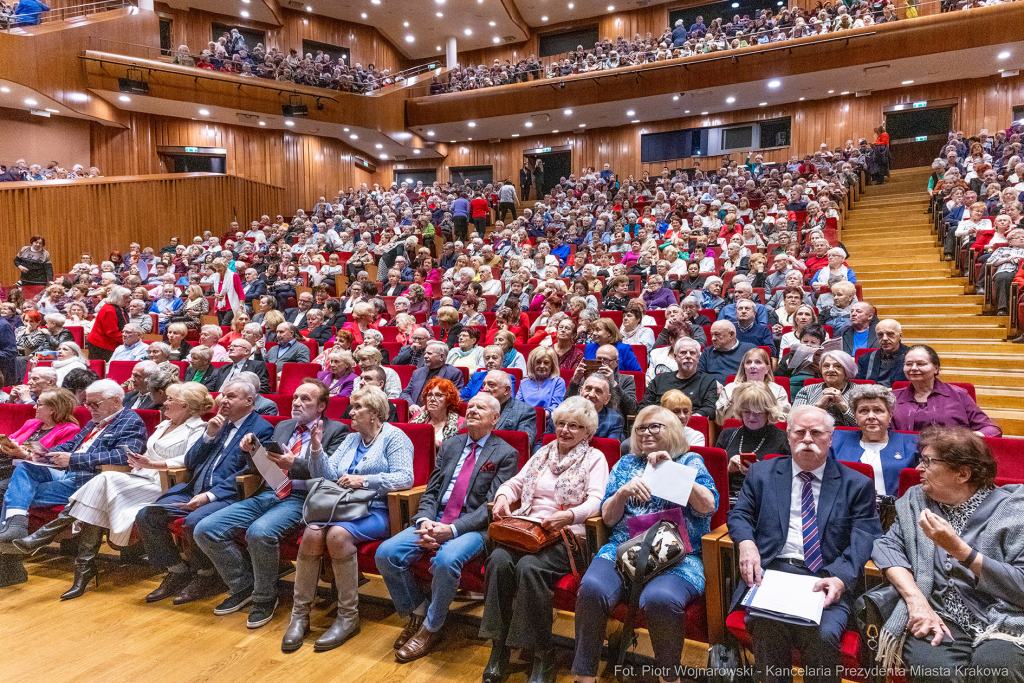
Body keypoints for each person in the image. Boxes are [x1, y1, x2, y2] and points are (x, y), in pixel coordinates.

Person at [727, 405, 882, 683]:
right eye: (800, 431)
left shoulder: (856, 484)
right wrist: (747, 543)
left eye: (816, 432)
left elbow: (866, 535)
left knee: (822, 636)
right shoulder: (761, 474)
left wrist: (841, 578)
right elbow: (739, 514)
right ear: (788, 436)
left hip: (825, 577)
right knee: (764, 626)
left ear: (830, 438)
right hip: (773, 574)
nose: (807, 438)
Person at [13, 384, 209, 599]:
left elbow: (190, 460)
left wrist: (153, 464)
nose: (164, 402)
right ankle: (82, 568)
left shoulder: (199, 429)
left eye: (170, 399)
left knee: (104, 480)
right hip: (140, 477)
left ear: (185, 405)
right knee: (99, 496)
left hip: (167, 484)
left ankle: (49, 540)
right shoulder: (164, 425)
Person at [572, 406, 718, 683]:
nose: (646, 433)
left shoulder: (689, 461)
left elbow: (708, 506)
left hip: (678, 558)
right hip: (624, 550)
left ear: (672, 431)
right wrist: (623, 493)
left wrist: (670, 470)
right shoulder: (626, 464)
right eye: (640, 427)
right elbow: (608, 517)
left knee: (660, 599)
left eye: (655, 427)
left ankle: (669, 677)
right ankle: (584, 675)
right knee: (592, 589)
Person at [871, 427, 1024, 683]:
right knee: (934, 670)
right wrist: (916, 600)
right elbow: (886, 547)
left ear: (962, 473)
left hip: (1004, 616)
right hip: (941, 614)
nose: (919, 468)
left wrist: (959, 550)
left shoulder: (1014, 511)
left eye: (928, 462)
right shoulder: (917, 502)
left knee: (997, 667)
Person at [375, 394, 519, 662]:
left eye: (482, 408)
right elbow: (431, 491)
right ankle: (418, 613)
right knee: (386, 553)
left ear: (495, 418)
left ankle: (432, 628)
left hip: (474, 527)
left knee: (446, 559)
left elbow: (489, 507)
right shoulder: (451, 445)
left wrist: (451, 531)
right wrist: (425, 520)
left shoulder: (505, 453)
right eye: (471, 406)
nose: (473, 409)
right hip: (437, 517)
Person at [194, 379, 348, 629]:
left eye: (305, 399)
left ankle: (265, 597)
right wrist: (252, 451)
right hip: (270, 491)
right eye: (296, 397)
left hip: (304, 498)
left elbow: (332, 474)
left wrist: (294, 464)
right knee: (206, 529)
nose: (297, 402)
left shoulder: (336, 431)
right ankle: (243, 586)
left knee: (260, 532)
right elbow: (263, 468)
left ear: (321, 406)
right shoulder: (284, 426)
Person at [483, 397, 610, 683]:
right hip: (529, 531)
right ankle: (499, 648)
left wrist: (570, 516)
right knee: (498, 560)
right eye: (562, 423)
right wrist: (503, 497)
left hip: (567, 537)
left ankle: (543, 654)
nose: (565, 430)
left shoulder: (594, 458)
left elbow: (597, 501)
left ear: (587, 432)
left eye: (575, 426)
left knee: (529, 567)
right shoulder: (543, 452)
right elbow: (516, 483)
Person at [136, 379, 273, 606]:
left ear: (249, 401)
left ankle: (206, 575)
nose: (223, 400)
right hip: (193, 489)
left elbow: (251, 471)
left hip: (227, 496)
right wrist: (208, 436)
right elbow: (190, 461)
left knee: (193, 521)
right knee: (147, 514)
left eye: (231, 396)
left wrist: (210, 496)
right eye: (223, 395)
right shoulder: (219, 424)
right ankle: (177, 570)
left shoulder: (261, 428)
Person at [0, 379, 148, 557]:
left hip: (91, 482)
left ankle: (12, 543)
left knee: (15, 491)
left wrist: (74, 460)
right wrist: (46, 454)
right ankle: (15, 528)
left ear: (116, 401)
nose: (89, 408)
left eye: (95, 404)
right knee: (25, 469)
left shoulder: (130, 421)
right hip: (70, 476)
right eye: (87, 403)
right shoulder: (95, 421)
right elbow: (71, 445)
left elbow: (124, 457)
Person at [892, 345, 1001, 437]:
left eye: (921, 364)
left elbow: (991, 429)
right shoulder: (892, 398)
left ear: (936, 368)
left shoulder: (959, 394)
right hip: (903, 458)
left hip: (950, 457)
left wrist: (968, 440)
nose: (914, 368)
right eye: (909, 364)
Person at [830, 384, 919, 497]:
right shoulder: (836, 440)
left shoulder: (913, 443)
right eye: (864, 411)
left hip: (898, 510)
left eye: (878, 410)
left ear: (890, 416)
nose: (871, 416)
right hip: (847, 509)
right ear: (855, 417)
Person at [716, 382, 790, 501]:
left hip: (766, 501)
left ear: (768, 412)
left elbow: (788, 482)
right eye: (746, 411)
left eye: (758, 412)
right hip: (729, 500)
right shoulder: (727, 435)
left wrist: (761, 472)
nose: (751, 417)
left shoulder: (783, 439)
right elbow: (713, 479)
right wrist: (728, 470)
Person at [0, 388, 80, 486]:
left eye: (39, 404)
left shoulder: (69, 430)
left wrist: (24, 454)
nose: (34, 407)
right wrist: (6, 446)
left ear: (53, 409)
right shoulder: (32, 423)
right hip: (6, 464)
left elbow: (55, 462)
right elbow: (10, 439)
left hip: (31, 473)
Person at [640, 337, 717, 417]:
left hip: (690, 424)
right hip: (660, 424)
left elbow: (710, 408)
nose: (688, 356)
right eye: (683, 352)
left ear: (698, 357)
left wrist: (691, 417)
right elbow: (644, 406)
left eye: (692, 353)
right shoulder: (660, 380)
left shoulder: (708, 381)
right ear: (675, 357)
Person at [716, 347, 791, 425]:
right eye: (748, 362)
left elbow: (783, 419)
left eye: (758, 362)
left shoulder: (777, 390)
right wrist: (733, 400)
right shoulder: (730, 389)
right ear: (744, 368)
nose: (752, 366)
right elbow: (720, 420)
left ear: (767, 369)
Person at [479, 369, 538, 450]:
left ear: (506, 390)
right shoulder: (476, 406)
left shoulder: (525, 411)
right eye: (484, 385)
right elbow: (460, 435)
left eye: (491, 385)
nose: (485, 389)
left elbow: (523, 445)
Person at [398, 340, 466, 410]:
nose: (425, 356)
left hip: (439, 414)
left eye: (429, 353)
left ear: (441, 357)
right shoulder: (417, 372)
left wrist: (429, 406)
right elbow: (404, 393)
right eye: (425, 353)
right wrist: (411, 405)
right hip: (415, 413)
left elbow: (455, 397)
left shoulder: (453, 373)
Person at [698, 320, 757, 387]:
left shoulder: (749, 349)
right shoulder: (707, 352)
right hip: (713, 391)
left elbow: (756, 374)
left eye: (717, 334)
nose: (713, 338)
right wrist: (712, 384)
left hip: (742, 391)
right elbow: (699, 374)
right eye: (712, 335)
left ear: (731, 335)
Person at [410, 377, 464, 449]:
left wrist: (437, 444)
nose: (432, 399)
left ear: (449, 400)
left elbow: (458, 447)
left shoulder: (460, 422)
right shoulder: (417, 416)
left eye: (438, 395)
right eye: (429, 395)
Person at [855, 319, 908, 387]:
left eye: (890, 334)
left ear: (900, 336)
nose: (884, 338)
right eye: (880, 334)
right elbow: (858, 387)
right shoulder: (865, 359)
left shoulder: (912, 357)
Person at [516, 346, 565, 418]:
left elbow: (556, 406)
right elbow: (517, 406)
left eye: (546, 363)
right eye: (538, 362)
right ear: (532, 364)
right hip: (525, 420)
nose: (542, 366)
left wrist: (541, 416)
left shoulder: (558, 382)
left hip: (547, 421)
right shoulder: (524, 383)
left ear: (552, 365)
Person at [86, 285, 130, 362]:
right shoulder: (108, 310)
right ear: (118, 298)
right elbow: (111, 332)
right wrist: (129, 340)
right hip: (101, 344)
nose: (129, 300)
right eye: (126, 298)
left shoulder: (120, 307)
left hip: (111, 342)